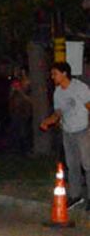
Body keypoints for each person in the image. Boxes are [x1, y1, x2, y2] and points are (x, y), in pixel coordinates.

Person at [39, 61, 90, 209]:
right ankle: (76, 195)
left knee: (87, 165)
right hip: (68, 132)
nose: (52, 76)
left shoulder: (80, 88)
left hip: (83, 130)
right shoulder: (58, 92)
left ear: (64, 73)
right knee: (72, 165)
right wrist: (48, 121)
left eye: (55, 73)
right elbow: (59, 112)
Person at [7, 74, 33, 154]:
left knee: (24, 132)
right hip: (15, 114)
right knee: (15, 132)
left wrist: (21, 91)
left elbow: (31, 101)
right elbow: (10, 100)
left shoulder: (29, 91)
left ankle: (25, 150)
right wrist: (12, 90)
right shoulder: (16, 91)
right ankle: (16, 150)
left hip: (25, 115)